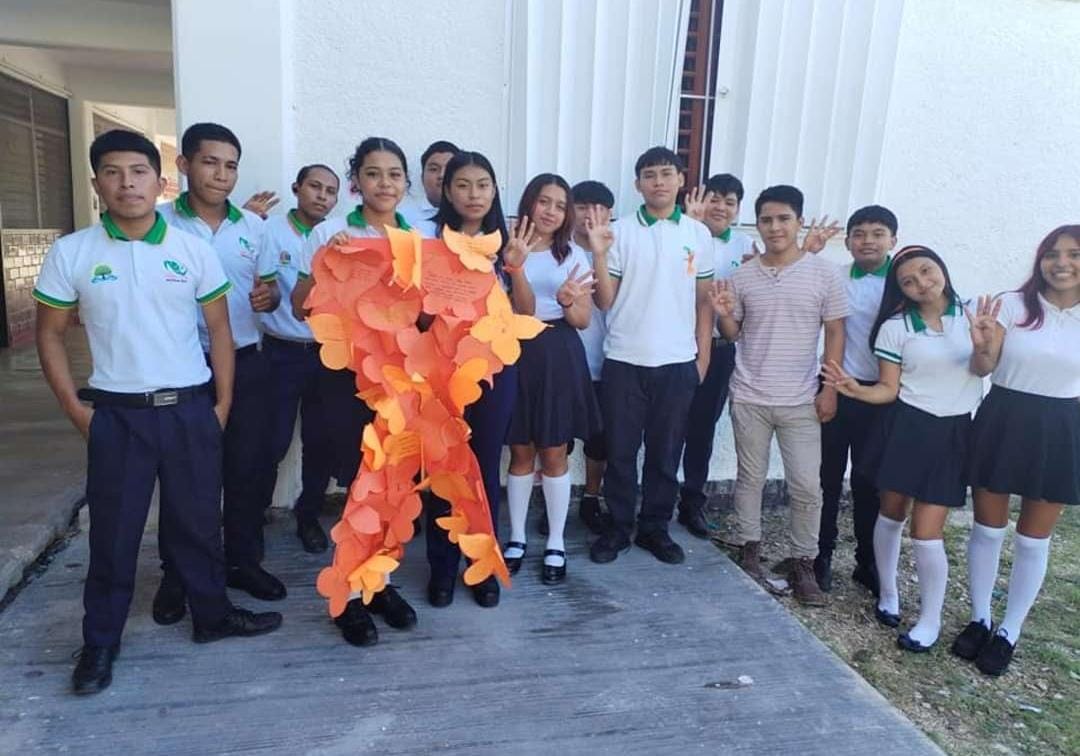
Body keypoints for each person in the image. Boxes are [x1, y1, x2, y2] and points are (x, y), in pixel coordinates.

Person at [34, 130, 281, 695]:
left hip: (189, 409)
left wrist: (221, 403)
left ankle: (212, 616)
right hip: (117, 416)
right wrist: (75, 409)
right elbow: (49, 334)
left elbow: (220, 329)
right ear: (97, 183)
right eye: (114, 173)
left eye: (139, 171)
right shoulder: (74, 253)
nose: (128, 183)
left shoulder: (191, 250)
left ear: (160, 180)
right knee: (114, 536)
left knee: (198, 525)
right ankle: (101, 642)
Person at [291, 137, 420, 646]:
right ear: (356, 182)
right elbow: (300, 304)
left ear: (406, 183)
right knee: (358, 489)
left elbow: (428, 315)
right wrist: (328, 264)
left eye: (394, 174)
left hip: (399, 379)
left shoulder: (419, 238)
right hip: (346, 378)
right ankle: (346, 596)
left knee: (391, 487)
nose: (384, 183)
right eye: (373, 173)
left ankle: (378, 583)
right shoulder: (331, 232)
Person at [823, 246, 982, 652]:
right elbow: (888, 389)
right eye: (908, 281)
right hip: (905, 426)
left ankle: (930, 618)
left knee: (927, 533)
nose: (921, 284)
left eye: (927, 271)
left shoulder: (973, 313)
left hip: (952, 431)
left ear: (942, 267)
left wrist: (984, 344)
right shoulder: (895, 327)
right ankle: (888, 593)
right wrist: (856, 390)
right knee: (891, 512)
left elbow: (983, 368)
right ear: (900, 289)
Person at [158, 122, 286, 613]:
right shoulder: (159, 224)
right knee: (184, 477)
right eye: (210, 162)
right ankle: (177, 575)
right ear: (184, 164)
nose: (221, 174)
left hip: (247, 363)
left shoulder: (253, 227)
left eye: (230, 165)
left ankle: (243, 563)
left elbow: (270, 289)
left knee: (246, 471)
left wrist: (268, 296)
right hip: (183, 368)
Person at [950, 225, 1080, 675]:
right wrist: (981, 346)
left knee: (1032, 538)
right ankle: (979, 618)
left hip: (1062, 426)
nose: (1061, 263)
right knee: (988, 529)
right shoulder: (1011, 305)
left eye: (1074, 254)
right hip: (1003, 417)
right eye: (1052, 253)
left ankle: (1009, 630)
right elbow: (982, 366)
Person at [711, 185, 848, 606]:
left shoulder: (824, 273)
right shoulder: (743, 276)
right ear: (757, 224)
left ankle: (804, 563)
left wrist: (830, 388)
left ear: (799, 222)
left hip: (802, 397)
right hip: (749, 394)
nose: (775, 227)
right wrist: (723, 315)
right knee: (749, 479)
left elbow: (835, 331)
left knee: (806, 486)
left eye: (784, 218)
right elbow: (735, 333)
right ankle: (749, 549)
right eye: (767, 220)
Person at [585, 146, 715, 566]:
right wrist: (599, 254)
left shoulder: (698, 234)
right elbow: (605, 301)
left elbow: (703, 301)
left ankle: (655, 528)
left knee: (665, 453)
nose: (659, 182)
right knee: (621, 451)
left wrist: (702, 359)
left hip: (677, 362)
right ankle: (619, 526)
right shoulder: (619, 231)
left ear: (681, 180)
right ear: (637, 184)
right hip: (625, 359)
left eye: (666, 173)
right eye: (649, 175)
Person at [425, 150, 531, 607]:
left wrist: (516, 268)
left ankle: (481, 564)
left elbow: (525, 313)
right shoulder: (429, 245)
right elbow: (417, 318)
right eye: (463, 185)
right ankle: (442, 567)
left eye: (482, 185)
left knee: (484, 469)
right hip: (441, 373)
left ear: (494, 191)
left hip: (493, 375)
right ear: (447, 192)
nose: (474, 194)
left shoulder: (506, 245)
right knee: (442, 469)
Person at [502, 174, 600, 584]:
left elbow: (582, 320)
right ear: (530, 202)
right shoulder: (504, 246)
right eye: (544, 201)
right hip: (514, 350)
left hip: (558, 353)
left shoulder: (573, 254)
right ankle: (517, 537)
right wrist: (515, 267)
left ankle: (556, 541)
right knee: (520, 451)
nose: (551, 211)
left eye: (560, 206)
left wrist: (567, 301)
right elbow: (517, 311)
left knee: (555, 451)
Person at [815, 205, 899, 593]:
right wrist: (829, 390)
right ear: (847, 241)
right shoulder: (834, 277)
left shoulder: (904, 281)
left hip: (882, 395)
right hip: (837, 386)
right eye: (859, 234)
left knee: (870, 482)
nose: (868, 241)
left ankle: (868, 561)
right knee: (826, 478)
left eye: (877, 233)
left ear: (892, 240)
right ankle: (821, 554)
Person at [260, 164, 341, 553]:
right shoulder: (270, 231)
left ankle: (308, 517)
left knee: (320, 441)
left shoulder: (338, 236)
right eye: (315, 187)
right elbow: (265, 284)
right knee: (272, 440)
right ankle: (253, 515)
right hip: (281, 351)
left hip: (326, 353)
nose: (322, 196)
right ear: (297, 188)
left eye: (330, 191)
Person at [677, 173, 755, 538]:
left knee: (702, 429)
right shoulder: (682, 235)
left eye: (729, 201)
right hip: (677, 347)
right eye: (714, 199)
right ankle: (655, 502)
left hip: (721, 347)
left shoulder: (746, 246)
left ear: (738, 209)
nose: (720, 207)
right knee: (665, 429)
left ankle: (692, 503)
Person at [570, 180, 616, 534]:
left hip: (608, 361)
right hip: (566, 362)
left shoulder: (618, 250)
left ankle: (591, 497)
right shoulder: (559, 249)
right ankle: (551, 502)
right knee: (555, 439)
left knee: (599, 440)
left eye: (598, 208)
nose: (590, 215)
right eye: (582, 206)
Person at [403, 140, 460, 231]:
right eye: (434, 169)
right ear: (422, 177)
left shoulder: (472, 217)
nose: (441, 175)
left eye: (449, 168)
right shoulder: (404, 218)